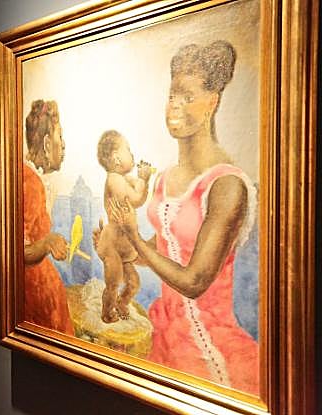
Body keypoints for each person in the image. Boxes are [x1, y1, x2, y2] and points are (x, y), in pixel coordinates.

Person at [109, 41, 259, 394]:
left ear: (212, 102)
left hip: (208, 344)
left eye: (188, 97)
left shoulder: (226, 184)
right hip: (167, 333)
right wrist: (120, 246)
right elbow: (163, 248)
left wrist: (134, 241)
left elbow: (194, 281)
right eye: (172, 95)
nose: (175, 106)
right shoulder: (163, 178)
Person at [23, 99, 74, 335]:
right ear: (46, 143)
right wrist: (47, 243)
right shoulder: (30, 183)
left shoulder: (32, 178)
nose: (63, 145)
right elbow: (19, 251)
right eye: (60, 137)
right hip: (34, 291)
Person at [95, 130, 153, 323]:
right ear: (116, 158)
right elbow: (136, 199)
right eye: (128, 149)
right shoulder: (114, 180)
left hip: (124, 245)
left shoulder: (124, 179)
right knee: (114, 283)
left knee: (134, 283)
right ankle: (107, 312)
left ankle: (122, 302)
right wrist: (144, 180)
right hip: (112, 245)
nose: (132, 154)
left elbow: (139, 195)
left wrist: (143, 181)